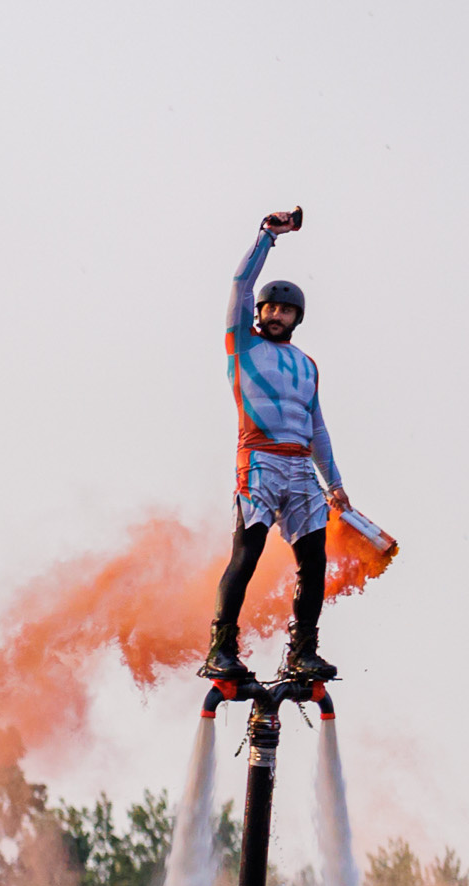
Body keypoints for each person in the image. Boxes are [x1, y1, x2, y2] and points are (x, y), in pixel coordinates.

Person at [206, 209, 349, 682]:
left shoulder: (307, 365)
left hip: (301, 470)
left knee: (314, 562)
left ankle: (302, 651)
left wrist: (337, 485)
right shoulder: (242, 345)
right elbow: (240, 286)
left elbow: (319, 428)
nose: (275, 314)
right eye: (270, 308)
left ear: (296, 318)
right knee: (247, 553)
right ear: (260, 312)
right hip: (259, 461)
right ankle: (222, 647)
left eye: (285, 310)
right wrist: (268, 235)